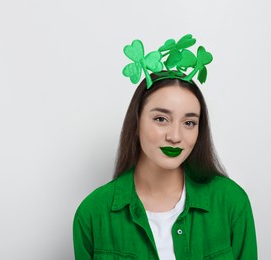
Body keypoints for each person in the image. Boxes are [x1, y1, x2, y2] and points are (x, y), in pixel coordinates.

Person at [73, 35, 257, 259]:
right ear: (136, 123)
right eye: (161, 119)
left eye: (189, 123)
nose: (175, 136)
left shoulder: (231, 203)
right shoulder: (92, 214)